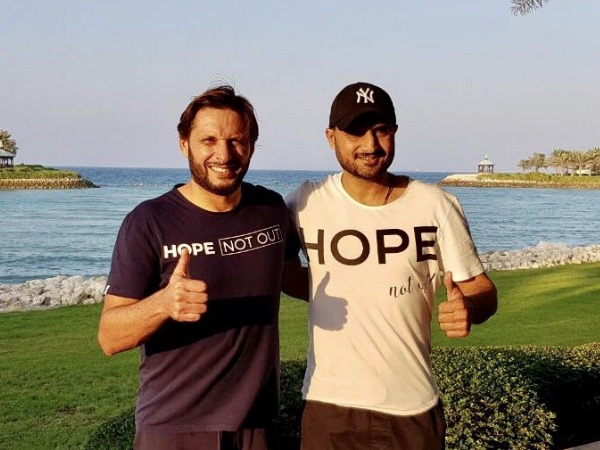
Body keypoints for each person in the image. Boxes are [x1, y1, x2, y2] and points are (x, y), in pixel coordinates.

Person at [285, 81, 498, 449]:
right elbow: (276, 267)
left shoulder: (435, 205)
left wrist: (470, 308)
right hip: (329, 407)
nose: (370, 145)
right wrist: (324, 290)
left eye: (381, 130)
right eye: (355, 132)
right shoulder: (305, 203)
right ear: (331, 137)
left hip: (413, 410)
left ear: (395, 132)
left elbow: (482, 289)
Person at [98, 85, 302, 450]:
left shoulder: (272, 211)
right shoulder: (148, 221)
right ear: (184, 145)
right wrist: (164, 303)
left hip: (257, 424)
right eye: (208, 140)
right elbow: (110, 338)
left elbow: (291, 278)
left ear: (252, 146)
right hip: (174, 427)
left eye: (237, 141)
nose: (224, 154)